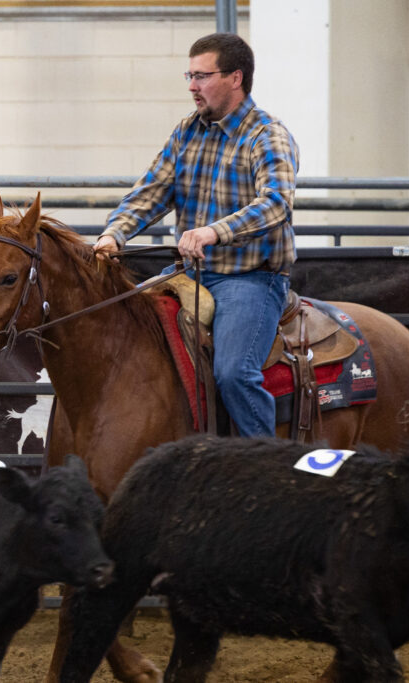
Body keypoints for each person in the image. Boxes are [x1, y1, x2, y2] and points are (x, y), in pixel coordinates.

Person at [94, 32, 299, 437]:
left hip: (251, 278)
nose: (192, 86)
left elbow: (277, 203)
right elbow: (152, 192)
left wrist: (214, 232)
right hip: (189, 275)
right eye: (189, 76)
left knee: (234, 373)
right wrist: (114, 235)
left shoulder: (267, 134)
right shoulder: (187, 131)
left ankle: (266, 461)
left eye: (202, 76)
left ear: (235, 78)